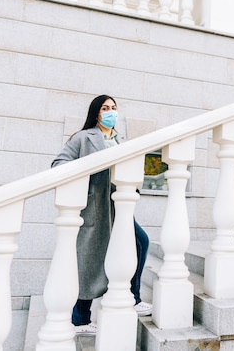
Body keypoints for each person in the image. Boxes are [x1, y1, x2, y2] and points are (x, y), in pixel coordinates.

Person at [51, 94, 152, 335]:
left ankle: (134, 297)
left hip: (118, 206)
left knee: (140, 242)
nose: (110, 111)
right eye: (105, 108)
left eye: (114, 108)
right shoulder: (83, 138)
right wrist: (90, 168)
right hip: (95, 207)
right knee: (88, 262)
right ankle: (80, 320)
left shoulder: (121, 140)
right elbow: (58, 165)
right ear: (96, 112)